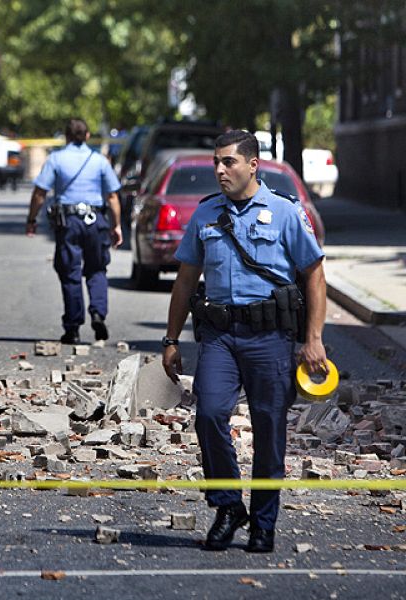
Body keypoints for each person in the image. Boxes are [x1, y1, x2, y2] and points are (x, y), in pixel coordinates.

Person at [161, 130, 327, 553]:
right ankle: (228, 505)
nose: (219, 170)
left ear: (253, 165)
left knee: (269, 428)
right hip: (219, 337)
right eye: (216, 162)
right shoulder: (205, 215)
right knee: (210, 414)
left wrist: (313, 340)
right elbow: (184, 281)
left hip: (270, 338)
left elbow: (314, 275)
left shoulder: (286, 212)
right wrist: (171, 339)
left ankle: (264, 523)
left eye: (228, 162)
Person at [26, 118, 122, 344]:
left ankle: (73, 327)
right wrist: (116, 225)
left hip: (68, 221)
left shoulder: (56, 159)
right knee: (97, 269)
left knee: (70, 273)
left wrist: (31, 219)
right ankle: (98, 313)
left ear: (66, 137)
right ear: (88, 136)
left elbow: (40, 193)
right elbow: (113, 196)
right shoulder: (99, 161)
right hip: (96, 220)